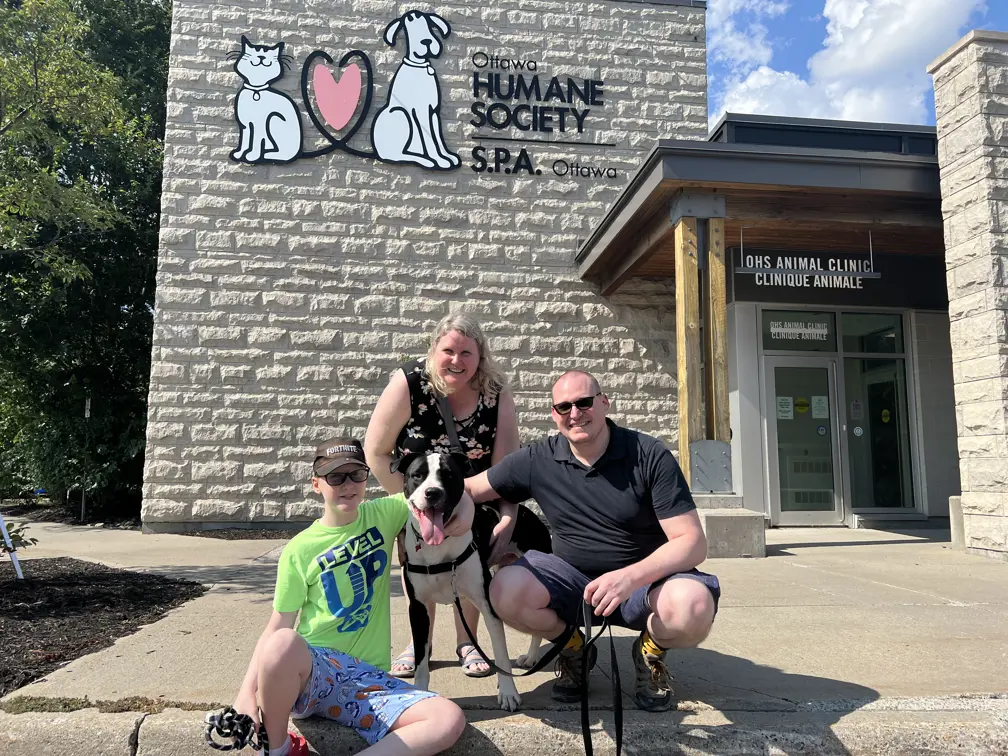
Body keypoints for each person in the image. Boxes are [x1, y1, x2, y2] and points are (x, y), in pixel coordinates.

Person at [465, 370, 721, 713]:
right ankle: (575, 648)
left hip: (645, 585)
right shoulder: (539, 458)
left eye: (584, 402)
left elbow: (692, 542)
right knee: (504, 590)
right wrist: (411, 504)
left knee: (694, 606)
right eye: (563, 407)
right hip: (570, 582)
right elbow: (469, 489)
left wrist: (630, 577)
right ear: (553, 414)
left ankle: (650, 650)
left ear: (604, 403)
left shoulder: (648, 454)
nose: (575, 413)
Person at [229, 438, 467, 756]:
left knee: (447, 718)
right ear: (316, 484)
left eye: (357, 475)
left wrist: (465, 508)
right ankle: (278, 748)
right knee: (283, 641)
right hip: (313, 671)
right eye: (336, 477)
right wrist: (246, 693)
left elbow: (455, 488)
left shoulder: (385, 513)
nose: (348, 485)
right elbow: (276, 627)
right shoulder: (300, 549)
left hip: (367, 681)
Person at [364, 311, 521, 679]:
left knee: (467, 570)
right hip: (418, 493)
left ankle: (468, 640)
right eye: (448, 350)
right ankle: (421, 642)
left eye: (467, 353)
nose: (456, 360)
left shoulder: (496, 392)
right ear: (433, 350)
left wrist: (508, 517)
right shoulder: (410, 384)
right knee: (420, 567)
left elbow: (508, 468)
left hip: (475, 497)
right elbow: (375, 451)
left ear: (480, 356)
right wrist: (413, 504)